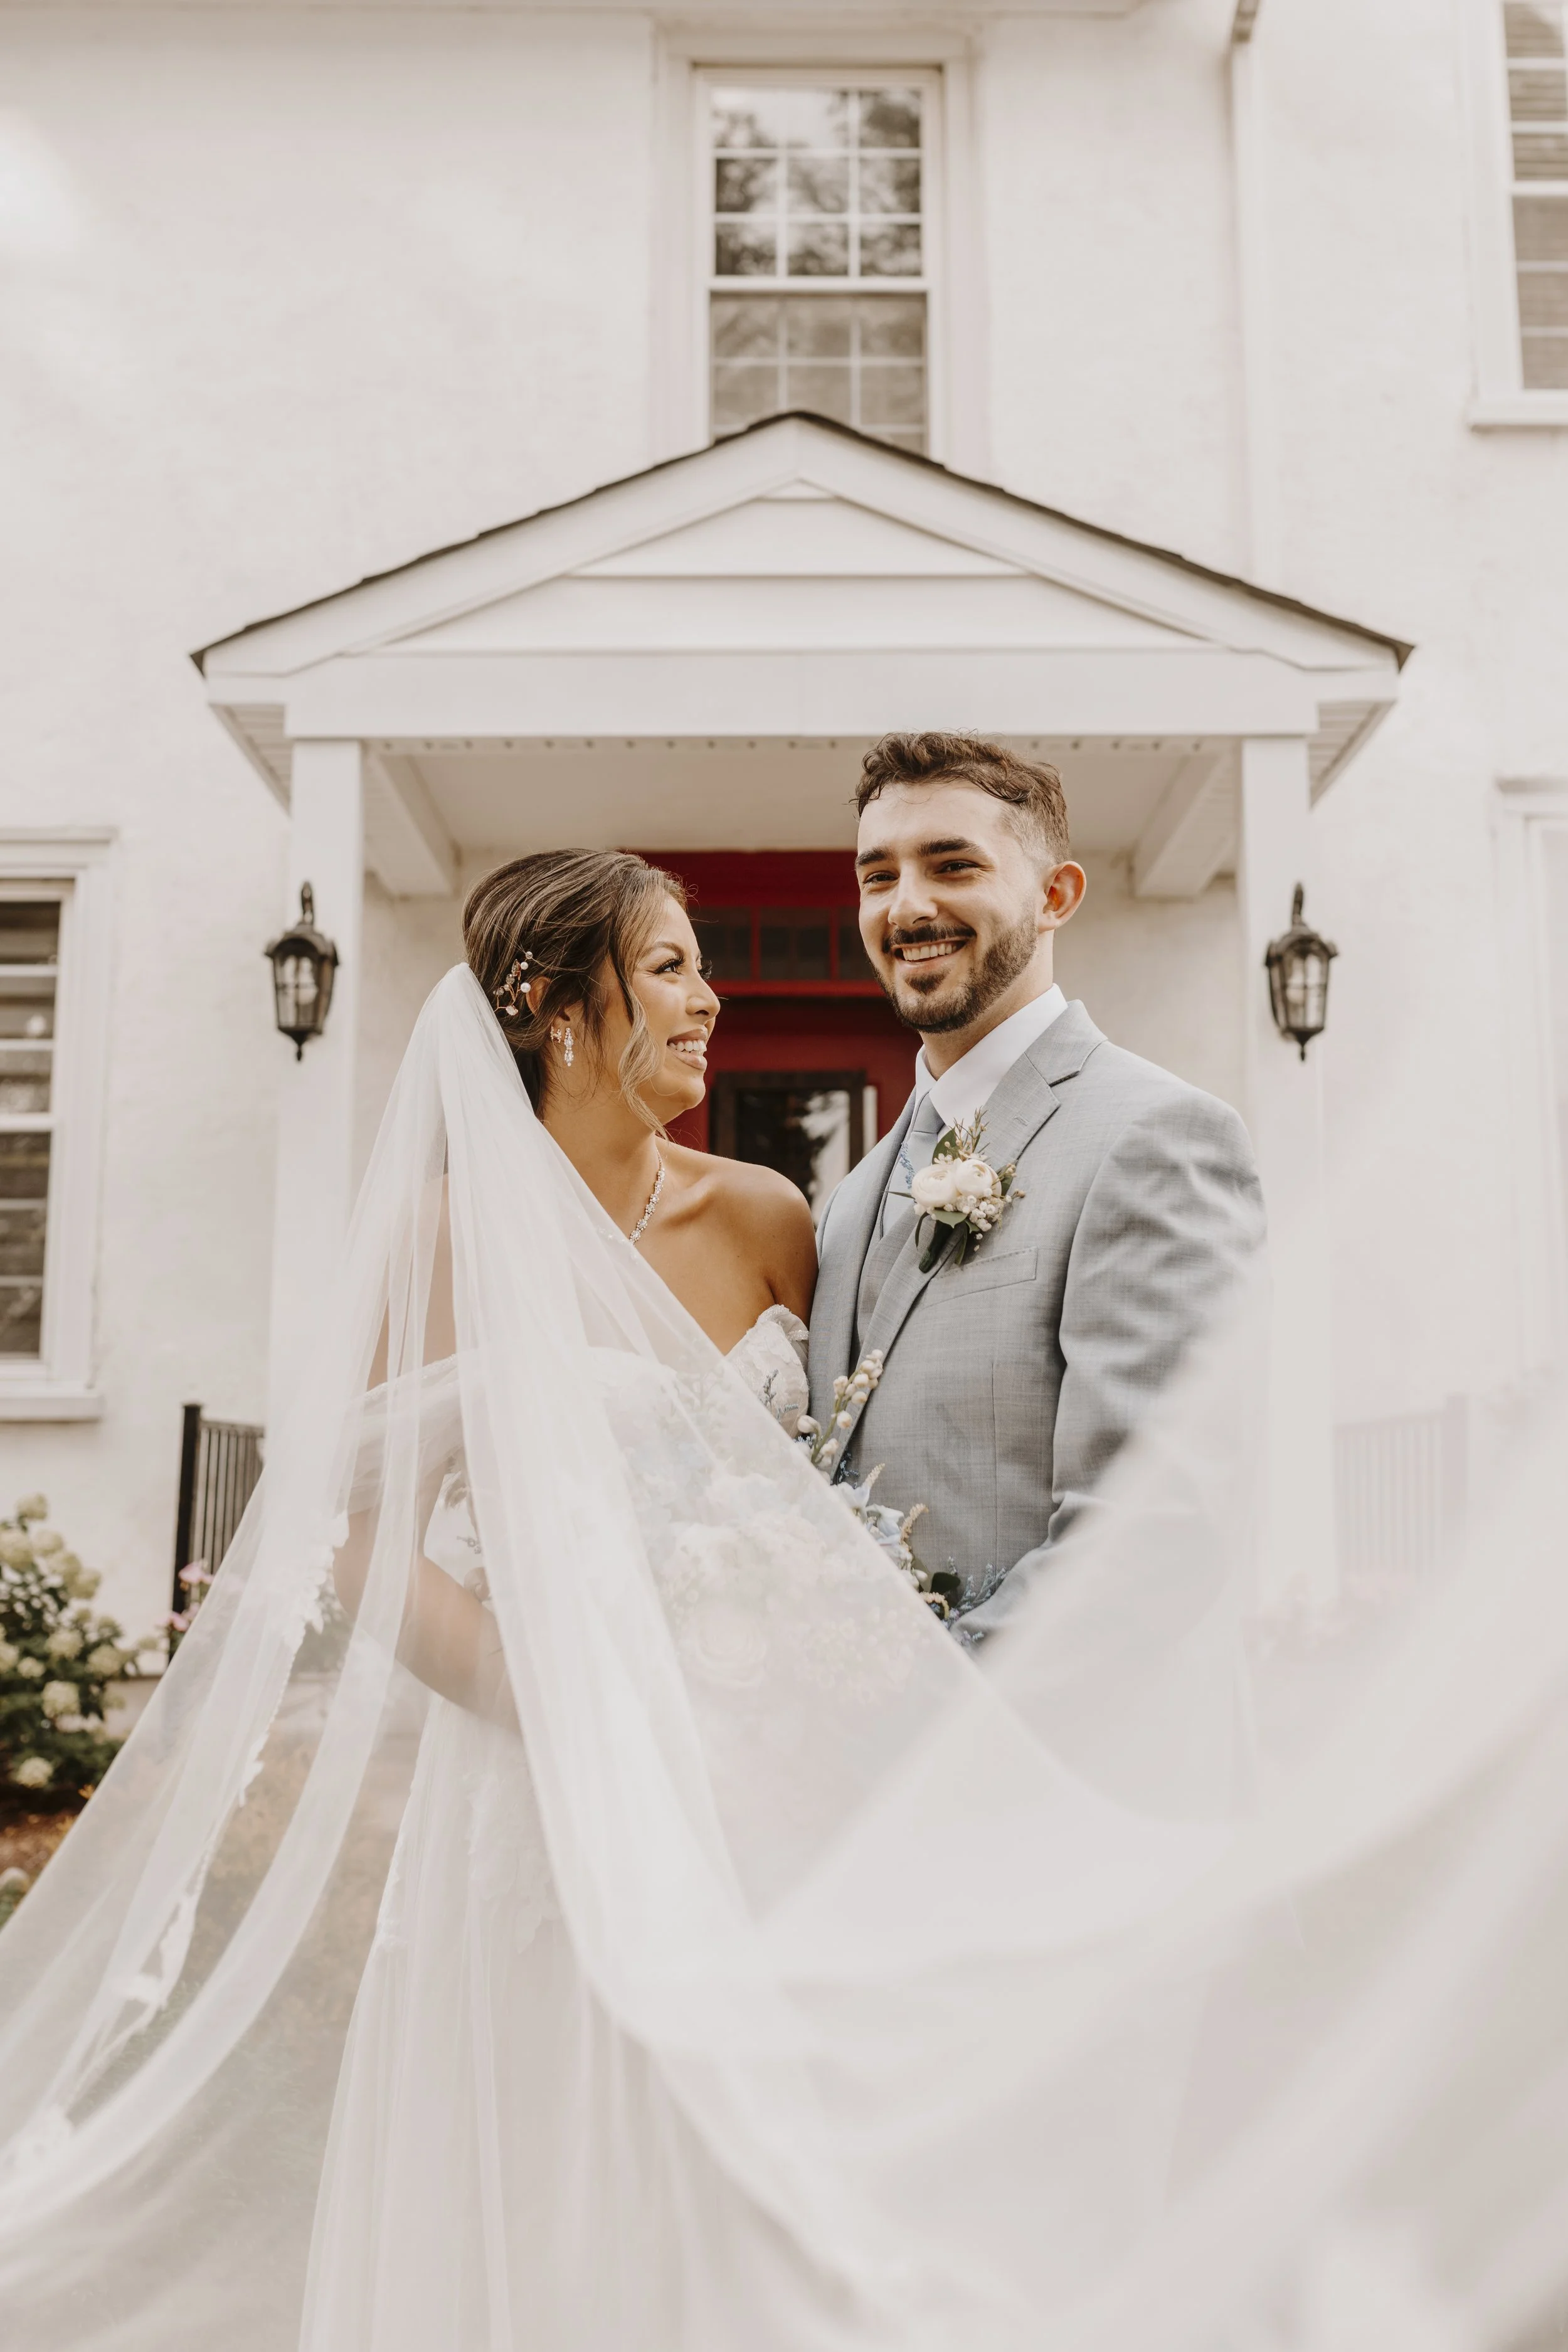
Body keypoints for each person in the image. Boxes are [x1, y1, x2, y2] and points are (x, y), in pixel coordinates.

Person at [5, 844, 1568, 2352]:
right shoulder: (439, 1241)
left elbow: (826, 1493)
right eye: (670, 970)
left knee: (749, 2179)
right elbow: (348, 1541)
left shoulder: (767, 1219)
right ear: (558, 1007)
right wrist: (555, 1701)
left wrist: (793, 1690)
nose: (708, 1003)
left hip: (757, 1793)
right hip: (532, 1787)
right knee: (546, 2147)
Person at [810, 733, 1266, 1633]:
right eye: (878, 875)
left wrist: (921, 1717)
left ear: (1055, 895)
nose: (908, 905)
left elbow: (1155, 1533)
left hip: (1060, 1756)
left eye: (952, 864)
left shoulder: (1157, 1138)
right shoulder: (852, 1195)